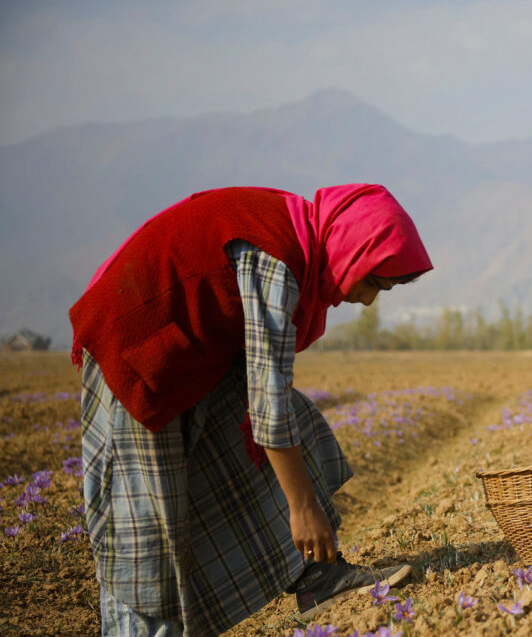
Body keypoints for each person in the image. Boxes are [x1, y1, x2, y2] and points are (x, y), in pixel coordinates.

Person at [69, 184, 433, 635]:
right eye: (373, 282)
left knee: (289, 432)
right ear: (353, 247)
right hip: (137, 356)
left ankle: (317, 574)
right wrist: (302, 508)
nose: (367, 300)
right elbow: (268, 401)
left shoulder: (295, 235)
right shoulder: (276, 255)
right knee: (151, 541)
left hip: (187, 351)